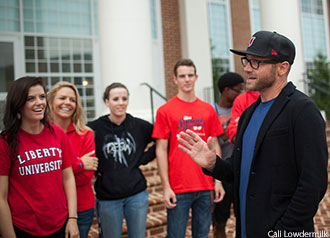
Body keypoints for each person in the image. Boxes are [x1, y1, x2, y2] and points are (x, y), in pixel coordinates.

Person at [177, 31, 328, 238]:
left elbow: (314, 183)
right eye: (247, 60)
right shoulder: (248, 113)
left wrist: (283, 231)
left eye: (256, 62)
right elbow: (241, 169)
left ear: (282, 68)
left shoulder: (302, 111)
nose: (247, 68)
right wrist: (212, 163)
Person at [152, 59, 225, 238]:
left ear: (196, 77)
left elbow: (214, 145)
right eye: (182, 76)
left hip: (205, 184)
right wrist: (166, 186)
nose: (187, 79)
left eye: (190, 75)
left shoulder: (208, 110)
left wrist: (218, 180)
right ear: (175, 79)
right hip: (178, 186)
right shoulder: (165, 110)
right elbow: (161, 150)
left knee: (202, 235)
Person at [0, 77, 79, 238]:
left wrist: (72, 218)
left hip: (60, 225)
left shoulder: (58, 134)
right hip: (24, 229)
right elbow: (1, 196)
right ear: (18, 104)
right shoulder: (5, 142)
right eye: (31, 98)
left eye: (42, 97)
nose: (39, 102)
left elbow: (68, 178)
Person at [87, 82, 156, 238]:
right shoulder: (94, 128)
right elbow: (79, 145)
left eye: (124, 99)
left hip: (136, 195)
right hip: (108, 198)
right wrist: (95, 169)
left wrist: (143, 158)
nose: (120, 103)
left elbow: (162, 137)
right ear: (107, 101)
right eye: (116, 99)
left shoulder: (138, 125)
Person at [48, 82, 98, 238]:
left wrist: (56, 172)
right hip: (51, 209)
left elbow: (85, 177)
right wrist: (79, 163)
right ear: (51, 102)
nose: (67, 103)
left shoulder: (86, 134)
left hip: (82, 208)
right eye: (62, 98)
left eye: (72, 100)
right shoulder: (42, 134)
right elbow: (43, 176)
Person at [212, 72, 243, 238]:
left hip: (239, 169)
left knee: (243, 216)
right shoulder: (212, 110)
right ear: (226, 90)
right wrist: (229, 128)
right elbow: (213, 138)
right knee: (220, 220)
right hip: (221, 171)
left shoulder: (241, 108)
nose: (240, 94)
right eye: (237, 90)